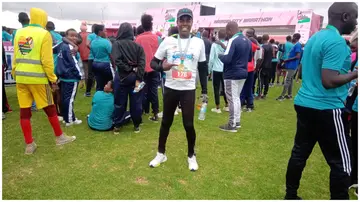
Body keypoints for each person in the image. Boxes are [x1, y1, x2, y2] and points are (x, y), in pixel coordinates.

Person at [284, 2, 358, 199]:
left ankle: (290, 195)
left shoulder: (316, 37)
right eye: (355, 17)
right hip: (327, 107)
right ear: (345, 17)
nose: (356, 22)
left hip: (305, 104)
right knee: (342, 162)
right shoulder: (335, 41)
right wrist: (355, 74)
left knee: (299, 153)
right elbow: (329, 80)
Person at [148, 8, 207, 171]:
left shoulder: (199, 42)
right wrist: (162, 67)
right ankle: (161, 153)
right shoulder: (167, 41)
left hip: (188, 89)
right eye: (182, 20)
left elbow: (202, 67)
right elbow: (153, 63)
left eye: (188, 20)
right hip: (171, 88)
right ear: (178, 22)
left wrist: (204, 91)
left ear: (192, 22)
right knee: (166, 122)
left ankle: (191, 156)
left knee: (188, 124)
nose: (185, 23)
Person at [12, 8, 76, 154]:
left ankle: (29, 145)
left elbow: (15, 56)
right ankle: (60, 137)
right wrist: (53, 79)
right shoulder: (44, 34)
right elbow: (46, 61)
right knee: (50, 107)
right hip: (37, 78)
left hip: (21, 78)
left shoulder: (19, 33)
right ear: (43, 19)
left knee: (24, 111)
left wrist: (15, 73)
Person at [215, 21, 251, 132]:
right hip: (243, 72)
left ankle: (232, 124)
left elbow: (227, 59)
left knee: (231, 98)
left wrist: (220, 56)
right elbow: (249, 58)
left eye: (227, 31)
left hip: (232, 74)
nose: (227, 33)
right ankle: (237, 121)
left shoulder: (233, 40)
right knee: (236, 98)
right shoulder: (247, 41)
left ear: (230, 30)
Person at [112, 22, 145, 134]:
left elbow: (117, 61)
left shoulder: (117, 44)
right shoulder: (138, 46)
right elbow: (142, 64)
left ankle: (118, 125)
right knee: (137, 102)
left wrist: (129, 69)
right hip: (136, 78)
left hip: (121, 77)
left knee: (120, 102)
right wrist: (138, 77)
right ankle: (136, 125)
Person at [135, 14, 160, 122]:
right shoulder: (157, 38)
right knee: (153, 91)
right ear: (151, 24)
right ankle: (155, 113)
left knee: (141, 90)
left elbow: (136, 55)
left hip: (142, 70)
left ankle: (142, 111)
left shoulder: (138, 39)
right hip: (154, 68)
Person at [56, 28, 83, 126]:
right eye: (71, 35)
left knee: (65, 98)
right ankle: (69, 120)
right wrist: (80, 76)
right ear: (66, 36)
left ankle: (67, 117)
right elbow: (74, 63)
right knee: (69, 99)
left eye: (75, 36)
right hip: (70, 77)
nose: (74, 38)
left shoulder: (62, 45)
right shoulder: (69, 47)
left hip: (63, 76)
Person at [276, 33, 302, 101]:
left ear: (295, 37)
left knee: (287, 80)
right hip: (291, 65)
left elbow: (298, 56)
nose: (292, 38)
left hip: (292, 66)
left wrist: (287, 60)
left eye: (293, 36)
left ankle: (282, 96)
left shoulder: (297, 45)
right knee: (290, 80)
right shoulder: (296, 45)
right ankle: (289, 95)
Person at [209, 29, 228, 113]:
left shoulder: (214, 45)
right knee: (225, 88)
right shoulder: (228, 44)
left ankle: (217, 107)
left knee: (216, 88)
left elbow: (211, 59)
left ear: (218, 36)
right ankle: (227, 105)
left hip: (216, 69)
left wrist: (209, 70)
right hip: (225, 69)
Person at [91, 24, 114, 92]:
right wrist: (114, 65)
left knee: (99, 84)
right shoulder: (106, 42)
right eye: (105, 31)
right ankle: (108, 99)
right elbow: (111, 55)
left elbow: (93, 53)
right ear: (100, 32)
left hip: (95, 63)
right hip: (105, 64)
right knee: (110, 84)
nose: (106, 33)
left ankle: (99, 98)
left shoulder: (93, 42)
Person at [241, 34, 259, 112]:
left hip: (244, 67)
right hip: (251, 68)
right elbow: (258, 47)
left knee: (242, 87)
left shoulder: (246, 44)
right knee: (249, 87)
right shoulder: (254, 47)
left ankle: (241, 103)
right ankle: (250, 104)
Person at [256, 34, 273, 99]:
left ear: (263, 39)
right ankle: (265, 93)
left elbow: (262, 57)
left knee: (261, 80)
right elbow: (273, 55)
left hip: (263, 66)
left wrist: (258, 66)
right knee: (266, 80)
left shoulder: (262, 47)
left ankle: (259, 94)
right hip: (269, 65)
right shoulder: (271, 46)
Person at [85, 24, 98, 97]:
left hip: (91, 57)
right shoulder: (101, 36)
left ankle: (88, 92)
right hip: (99, 58)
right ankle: (98, 91)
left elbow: (87, 44)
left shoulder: (90, 35)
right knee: (98, 74)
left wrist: (93, 50)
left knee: (90, 74)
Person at [78, 21, 90, 89]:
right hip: (90, 55)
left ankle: (86, 85)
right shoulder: (89, 35)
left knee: (84, 71)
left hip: (82, 55)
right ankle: (90, 85)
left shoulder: (78, 35)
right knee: (90, 71)